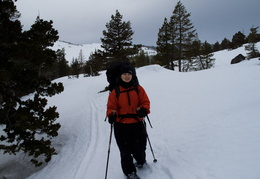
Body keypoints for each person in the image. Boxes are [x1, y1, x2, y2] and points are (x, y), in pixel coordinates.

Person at [106, 64, 150, 179]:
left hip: (137, 123)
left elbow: (145, 101)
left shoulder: (138, 88)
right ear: (120, 76)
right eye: (124, 74)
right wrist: (111, 115)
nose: (127, 76)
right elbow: (111, 107)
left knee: (140, 147)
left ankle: (141, 161)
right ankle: (130, 172)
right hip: (121, 125)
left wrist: (144, 110)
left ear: (132, 75)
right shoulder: (115, 91)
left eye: (129, 74)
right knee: (125, 151)